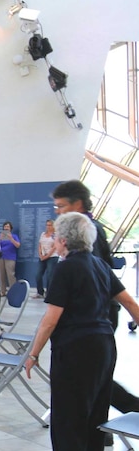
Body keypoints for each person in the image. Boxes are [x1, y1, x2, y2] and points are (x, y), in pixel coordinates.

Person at [24, 212, 139, 451]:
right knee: (95, 414)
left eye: (56, 237)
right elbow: (130, 303)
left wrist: (33, 354)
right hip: (104, 346)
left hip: (76, 349)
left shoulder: (65, 269)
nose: (54, 241)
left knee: (68, 418)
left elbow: (50, 320)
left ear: (64, 240)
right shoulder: (100, 265)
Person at [52, 179, 139, 429]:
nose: (57, 211)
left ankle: (118, 415)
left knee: (92, 377)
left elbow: (98, 277)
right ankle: (97, 425)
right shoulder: (82, 230)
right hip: (92, 318)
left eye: (61, 206)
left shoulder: (88, 231)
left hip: (95, 318)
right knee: (95, 378)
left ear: (77, 204)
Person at [0, 221, 20, 296]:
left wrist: (11, 239)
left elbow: (18, 245)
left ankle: (13, 291)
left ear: (10, 229)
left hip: (10, 257)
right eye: (5, 226)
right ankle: (2, 291)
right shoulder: (0, 236)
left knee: (11, 274)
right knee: (1, 275)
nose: (6, 228)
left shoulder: (14, 236)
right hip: (0, 257)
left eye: (8, 227)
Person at [35, 219, 57, 298]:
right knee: (38, 274)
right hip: (42, 256)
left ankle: (49, 293)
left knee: (49, 275)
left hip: (52, 256)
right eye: (47, 225)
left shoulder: (55, 235)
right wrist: (40, 254)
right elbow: (40, 244)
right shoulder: (43, 234)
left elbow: (55, 247)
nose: (48, 227)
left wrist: (47, 256)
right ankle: (40, 292)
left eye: (50, 225)